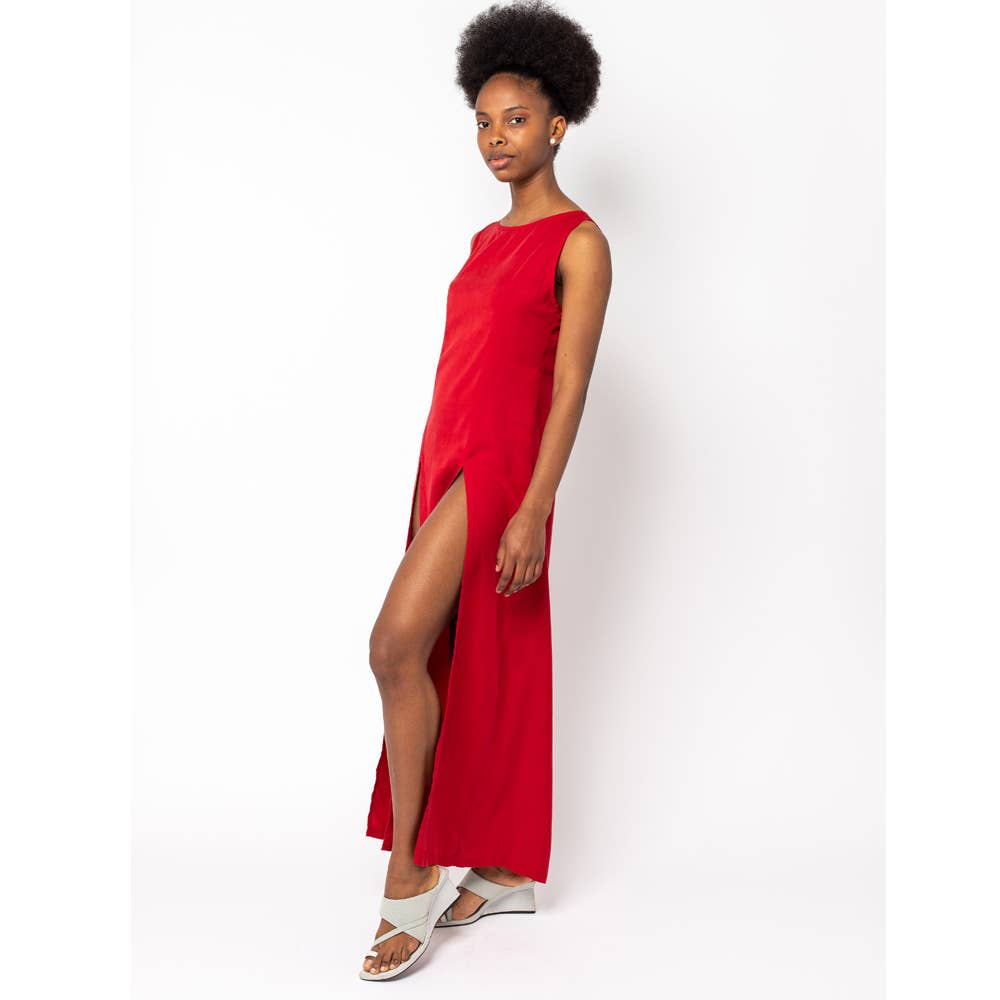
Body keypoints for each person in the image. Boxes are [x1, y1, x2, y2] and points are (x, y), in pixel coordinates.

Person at [360, 0, 611, 981]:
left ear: (559, 124)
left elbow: (571, 383)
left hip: (503, 470)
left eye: (516, 119)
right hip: (446, 462)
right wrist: (428, 478)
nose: (497, 137)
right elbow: (464, 363)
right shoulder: (479, 242)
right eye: (484, 121)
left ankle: (414, 865)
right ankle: (502, 867)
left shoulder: (578, 241)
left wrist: (535, 505)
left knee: (393, 644)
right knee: (460, 657)